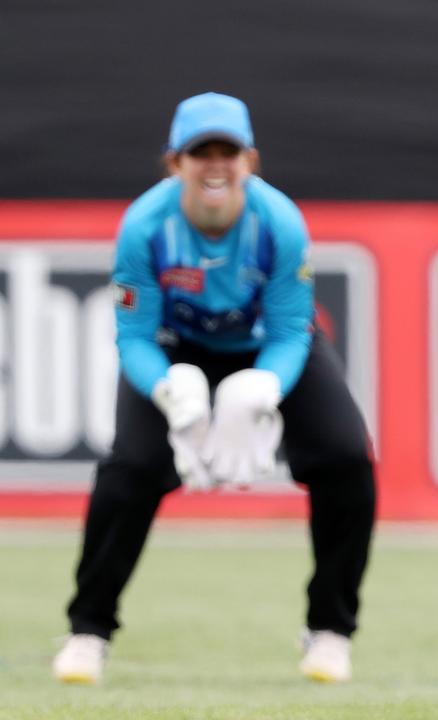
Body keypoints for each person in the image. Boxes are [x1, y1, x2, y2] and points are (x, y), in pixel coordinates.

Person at [51, 93, 377, 685]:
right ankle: (87, 631)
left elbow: (288, 328)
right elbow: (133, 335)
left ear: (250, 159)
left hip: (266, 349)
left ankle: (330, 630)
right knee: (130, 469)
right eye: (201, 153)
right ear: (175, 162)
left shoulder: (278, 222)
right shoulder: (145, 227)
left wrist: (262, 388)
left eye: (228, 151)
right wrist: (170, 390)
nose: (216, 166)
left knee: (346, 457)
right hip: (175, 353)